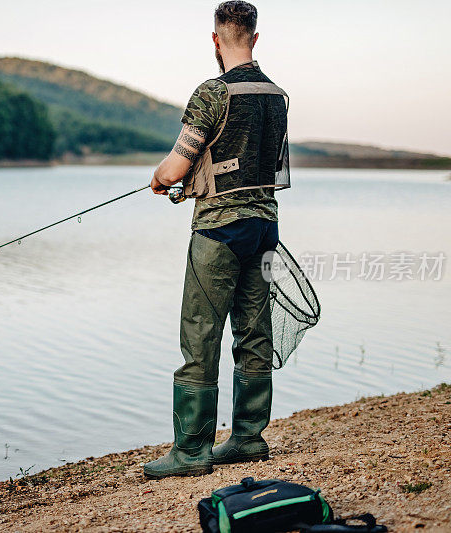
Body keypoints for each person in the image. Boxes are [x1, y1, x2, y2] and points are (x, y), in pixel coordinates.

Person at [144, 0, 289, 479]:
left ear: (215, 39)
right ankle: (248, 439)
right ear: (255, 37)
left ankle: (191, 452)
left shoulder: (211, 93)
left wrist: (160, 180)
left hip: (219, 232)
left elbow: (177, 165)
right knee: (254, 333)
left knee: (200, 336)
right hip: (265, 228)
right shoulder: (276, 95)